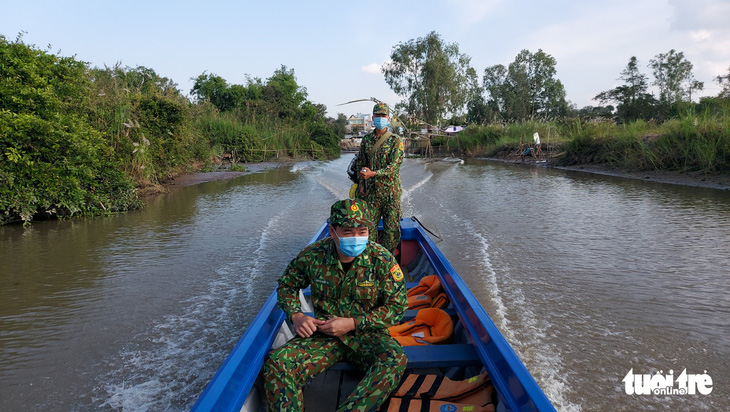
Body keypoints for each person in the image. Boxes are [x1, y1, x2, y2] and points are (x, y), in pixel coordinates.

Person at [264, 198, 408, 412]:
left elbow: (397, 306)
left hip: (367, 335)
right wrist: (296, 315)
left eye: (362, 231)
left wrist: (353, 323)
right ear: (332, 231)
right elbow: (287, 285)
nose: (356, 238)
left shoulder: (382, 259)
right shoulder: (313, 255)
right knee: (277, 363)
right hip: (324, 334)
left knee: (395, 359)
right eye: (348, 232)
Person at [355, 103, 404, 255]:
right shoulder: (367, 140)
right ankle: (371, 258)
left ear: (388, 119)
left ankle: (386, 259)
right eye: (377, 116)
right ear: (373, 118)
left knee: (391, 231)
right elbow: (361, 163)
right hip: (371, 193)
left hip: (391, 193)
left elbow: (394, 166)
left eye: (383, 116)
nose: (380, 118)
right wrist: (362, 183)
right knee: (368, 228)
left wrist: (373, 174)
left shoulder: (395, 141)